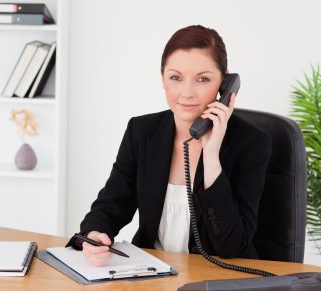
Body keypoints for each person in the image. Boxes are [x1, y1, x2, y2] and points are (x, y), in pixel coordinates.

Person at [74, 25, 271, 267]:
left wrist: (211, 156)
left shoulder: (252, 143)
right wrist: (94, 235)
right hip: (151, 274)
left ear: (225, 84)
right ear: (162, 78)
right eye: (176, 77)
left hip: (217, 278)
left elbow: (232, 246)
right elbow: (111, 204)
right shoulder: (142, 131)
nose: (187, 93)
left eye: (203, 79)